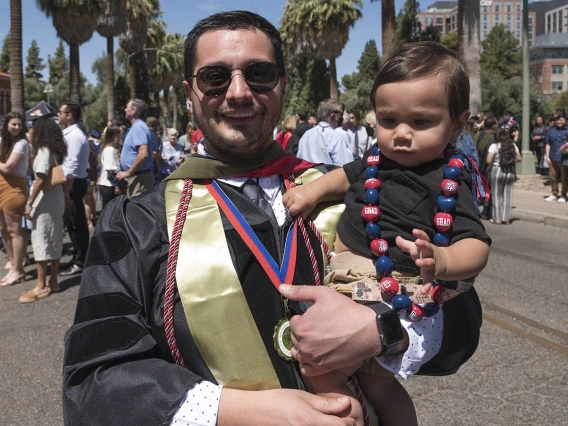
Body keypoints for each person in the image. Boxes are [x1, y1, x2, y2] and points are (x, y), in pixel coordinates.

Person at [62, 12, 484, 426]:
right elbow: (93, 381)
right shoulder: (138, 221)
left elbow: (460, 318)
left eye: (259, 73)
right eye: (215, 77)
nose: (239, 92)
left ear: (282, 85)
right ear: (190, 92)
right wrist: (251, 413)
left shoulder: (350, 193)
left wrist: (385, 328)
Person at [283, 41, 490, 426]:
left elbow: (476, 245)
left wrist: (443, 260)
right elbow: (341, 177)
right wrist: (309, 192)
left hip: (388, 290)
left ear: (458, 124)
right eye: (388, 120)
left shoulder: (448, 178)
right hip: (341, 278)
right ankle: (348, 412)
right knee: (323, 369)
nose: (402, 134)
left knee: (367, 383)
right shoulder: (375, 160)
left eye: (421, 122)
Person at [20, 117, 67, 302]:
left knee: (41, 239)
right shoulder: (55, 150)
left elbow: (40, 178)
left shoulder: (43, 151)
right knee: (54, 238)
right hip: (55, 199)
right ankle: (53, 281)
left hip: (43, 201)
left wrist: (30, 203)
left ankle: (41, 285)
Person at [58, 102, 90, 277]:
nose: (58, 114)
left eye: (61, 112)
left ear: (69, 115)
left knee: (75, 224)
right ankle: (79, 258)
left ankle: (80, 262)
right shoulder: (71, 134)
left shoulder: (74, 136)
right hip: (72, 183)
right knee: (73, 223)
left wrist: (65, 190)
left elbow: (71, 165)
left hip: (73, 184)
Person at [0, 112, 29, 286]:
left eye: (19, 124)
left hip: (15, 189)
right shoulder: (4, 141)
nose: (17, 127)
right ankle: (13, 265)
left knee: (14, 230)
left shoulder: (22, 143)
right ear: (7, 125)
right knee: (3, 229)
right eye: (13, 124)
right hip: (2, 187)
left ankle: (18, 270)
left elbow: (9, 167)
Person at [297, 98, 353, 166]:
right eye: (340, 113)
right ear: (333, 116)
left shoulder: (306, 135)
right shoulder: (336, 137)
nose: (342, 117)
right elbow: (344, 168)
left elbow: (299, 161)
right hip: (329, 176)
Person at [116, 99, 154, 198]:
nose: (125, 109)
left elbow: (143, 154)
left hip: (139, 179)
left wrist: (128, 172)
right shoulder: (136, 127)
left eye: (127, 107)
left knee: (137, 211)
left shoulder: (138, 127)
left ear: (133, 111)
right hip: (137, 177)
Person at [486, 128, 521, 224]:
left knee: (497, 195)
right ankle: (506, 219)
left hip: (497, 170)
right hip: (510, 171)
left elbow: (488, 160)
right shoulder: (512, 145)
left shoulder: (494, 146)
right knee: (508, 195)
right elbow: (519, 158)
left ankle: (497, 218)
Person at [544, 112, 568, 203]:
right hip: (553, 156)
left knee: (564, 177)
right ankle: (554, 194)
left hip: (564, 158)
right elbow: (548, 143)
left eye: (561, 120)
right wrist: (547, 156)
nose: (559, 122)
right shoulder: (552, 130)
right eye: (557, 120)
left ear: (565, 121)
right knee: (553, 177)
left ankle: (563, 195)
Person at [97, 126, 122, 209]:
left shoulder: (111, 149)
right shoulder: (110, 150)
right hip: (109, 185)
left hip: (109, 184)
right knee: (109, 211)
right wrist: (118, 184)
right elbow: (111, 170)